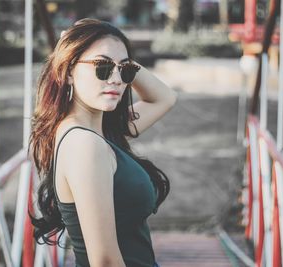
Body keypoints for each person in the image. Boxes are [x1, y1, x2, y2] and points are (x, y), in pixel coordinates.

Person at [29, 18, 177, 267]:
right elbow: (105, 261)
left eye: (125, 69)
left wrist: (116, 55)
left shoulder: (101, 132)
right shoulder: (84, 145)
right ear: (68, 72)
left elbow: (165, 98)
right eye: (102, 66)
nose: (117, 79)